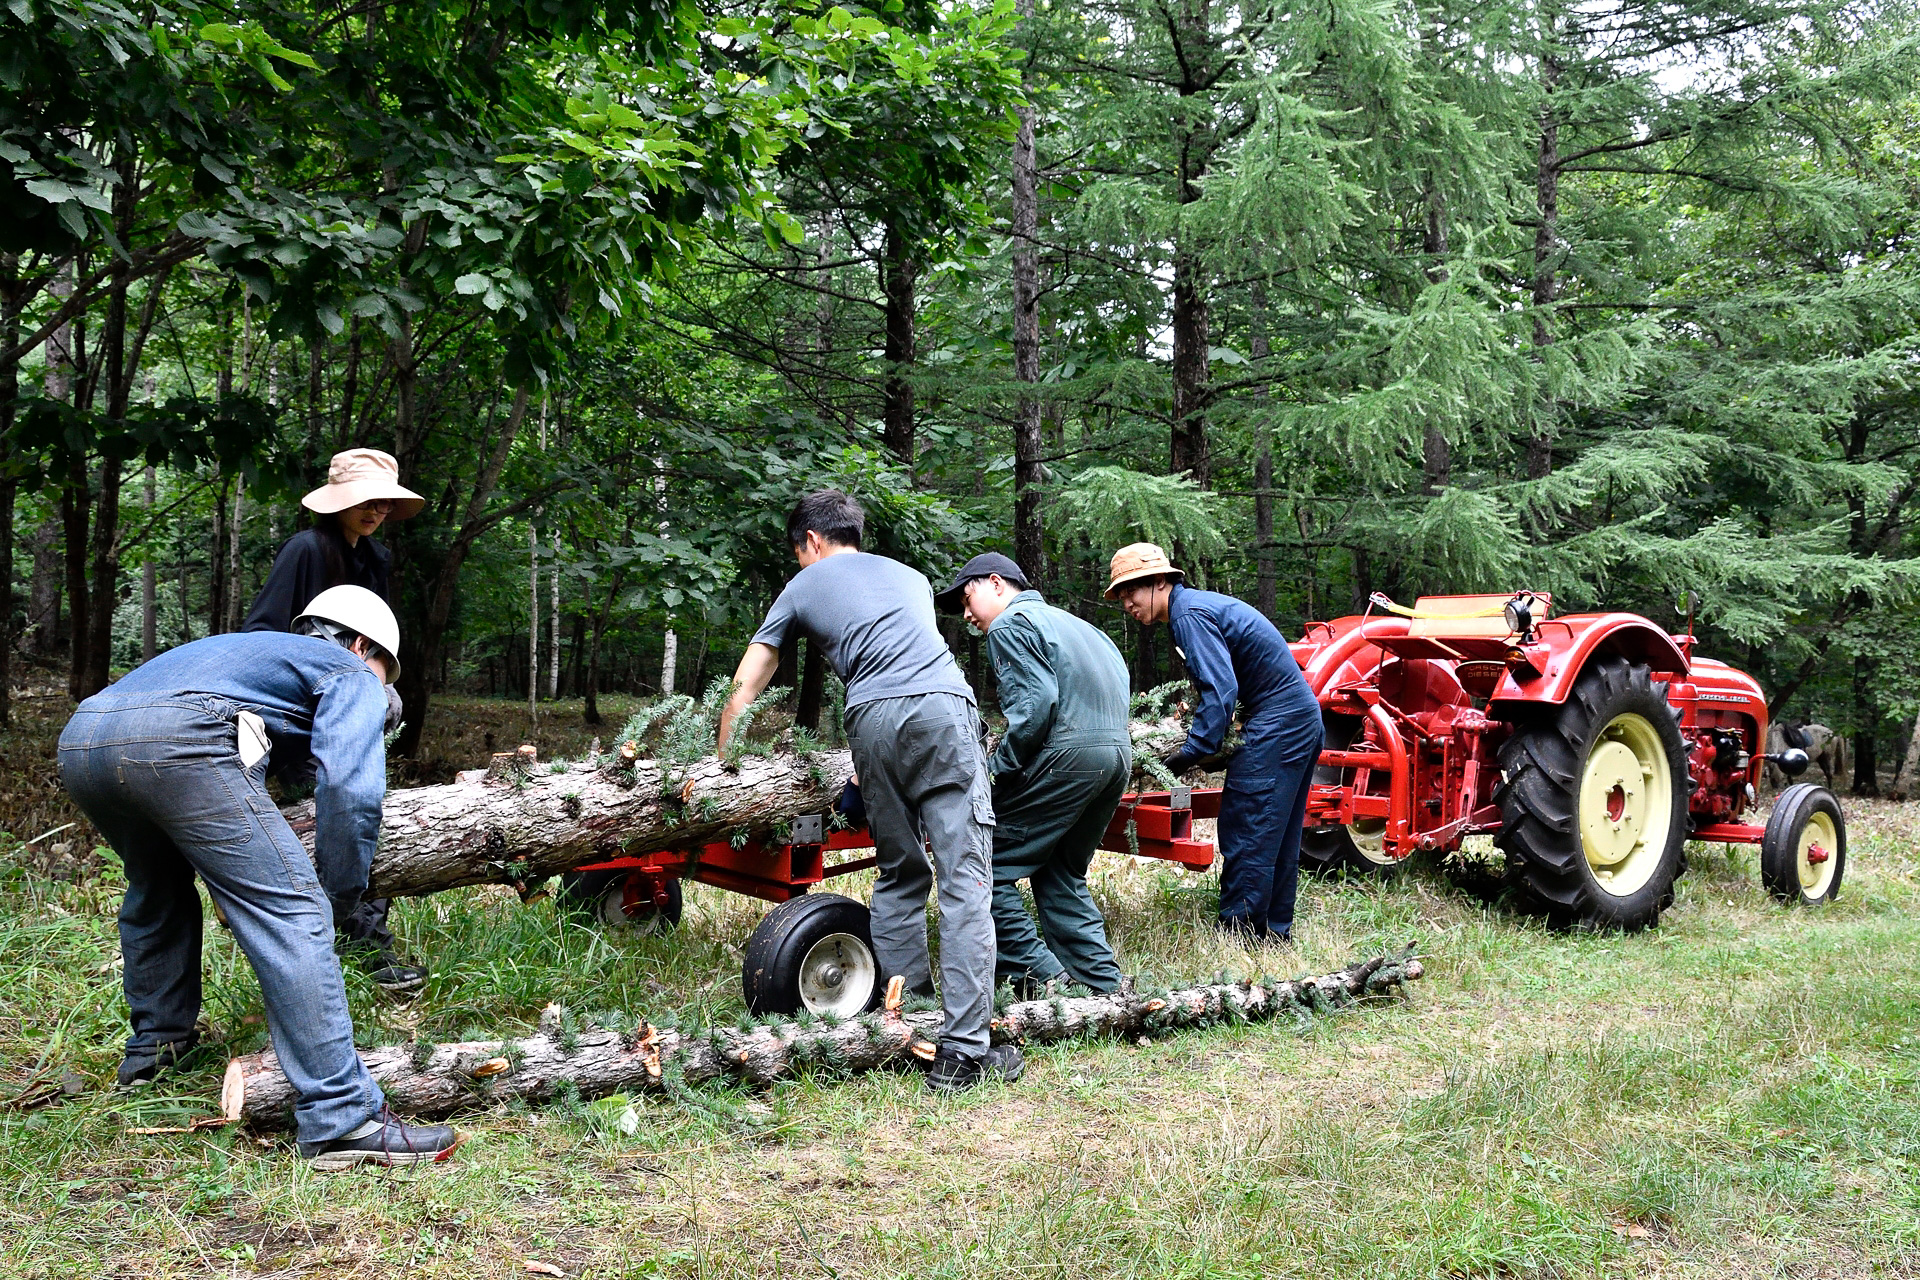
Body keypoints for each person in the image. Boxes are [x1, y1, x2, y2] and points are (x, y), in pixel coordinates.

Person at [59, 586, 461, 1168]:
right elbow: (350, 789)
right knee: (293, 912)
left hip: (84, 738)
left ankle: (155, 1050)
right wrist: (339, 893)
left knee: (158, 888)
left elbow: (277, 770)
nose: (380, 688)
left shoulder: (254, 655)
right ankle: (341, 1117)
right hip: (179, 737)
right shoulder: (347, 669)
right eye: (383, 673)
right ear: (360, 644)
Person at [717, 491, 1020, 1093]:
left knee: (900, 872)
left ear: (810, 542)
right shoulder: (907, 576)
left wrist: (726, 757)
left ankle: (908, 1021)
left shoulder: (804, 585)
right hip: (941, 710)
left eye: (799, 553)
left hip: (871, 721)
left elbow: (752, 675)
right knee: (964, 878)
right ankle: (963, 1050)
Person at [244, 448, 426, 991]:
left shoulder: (377, 559)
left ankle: (354, 953)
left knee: (363, 815)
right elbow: (261, 633)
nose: (375, 510)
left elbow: (375, 641)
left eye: (383, 502)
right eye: (364, 500)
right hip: (299, 713)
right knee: (335, 817)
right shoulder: (306, 549)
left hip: (353, 708)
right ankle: (356, 957)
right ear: (337, 502)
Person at [935, 553, 1131, 995]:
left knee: (985, 864)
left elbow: (1034, 708)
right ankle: (1101, 985)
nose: (967, 615)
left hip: (1069, 757)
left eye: (968, 599)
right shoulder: (1085, 628)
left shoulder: (1010, 625)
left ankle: (1044, 978)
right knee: (1060, 871)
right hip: (1117, 757)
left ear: (996, 583)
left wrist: (994, 771)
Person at [1105, 543, 1321, 941]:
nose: (1128, 606)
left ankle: (1239, 934)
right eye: (1121, 598)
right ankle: (1273, 934)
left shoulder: (1188, 615)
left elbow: (1220, 688)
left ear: (1157, 582)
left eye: (1130, 593)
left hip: (1279, 722)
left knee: (1249, 826)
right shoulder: (1198, 608)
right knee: (1278, 832)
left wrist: (1192, 751)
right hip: (1298, 718)